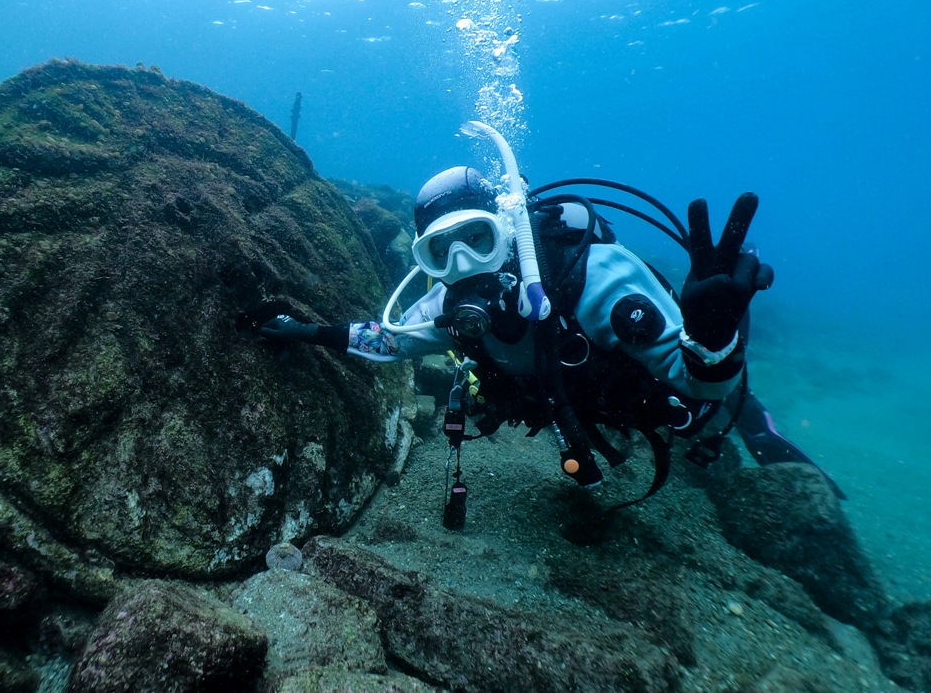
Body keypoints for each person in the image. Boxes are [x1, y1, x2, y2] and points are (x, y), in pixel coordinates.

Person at [253, 122, 842, 521]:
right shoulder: (447, 309)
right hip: (573, 403)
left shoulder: (595, 280)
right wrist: (306, 331)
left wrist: (713, 341)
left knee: (698, 415)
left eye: (477, 240)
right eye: (441, 254)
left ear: (505, 232)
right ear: (426, 261)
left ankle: (756, 425)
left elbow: (696, 380)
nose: (463, 267)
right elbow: (388, 340)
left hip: (647, 392)